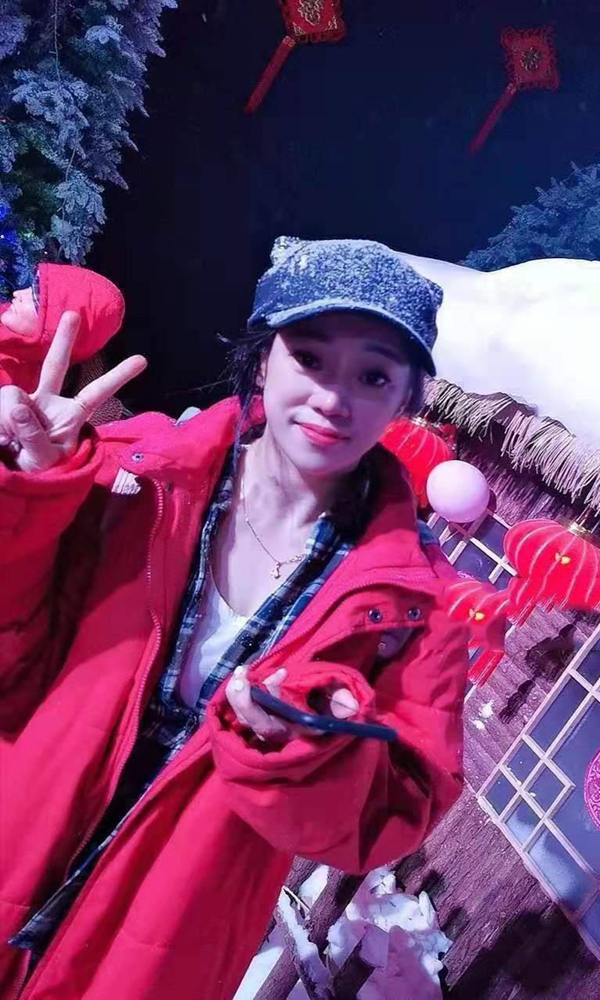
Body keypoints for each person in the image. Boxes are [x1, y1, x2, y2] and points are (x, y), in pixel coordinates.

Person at [0, 237, 468, 1000]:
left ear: (406, 400)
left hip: (172, 927)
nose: (334, 397)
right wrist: (27, 494)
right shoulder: (133, 478)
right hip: (20, 828)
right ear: (261, 361)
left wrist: (307, 753)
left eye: (373, 375)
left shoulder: (415, 608)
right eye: (309, 357)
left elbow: (391, 814)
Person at [0, 262, 125, 420]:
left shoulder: (12, 382)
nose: (18, 293)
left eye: (36, 299)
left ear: (55, 328)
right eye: (31, 288)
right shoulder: (8, 328)